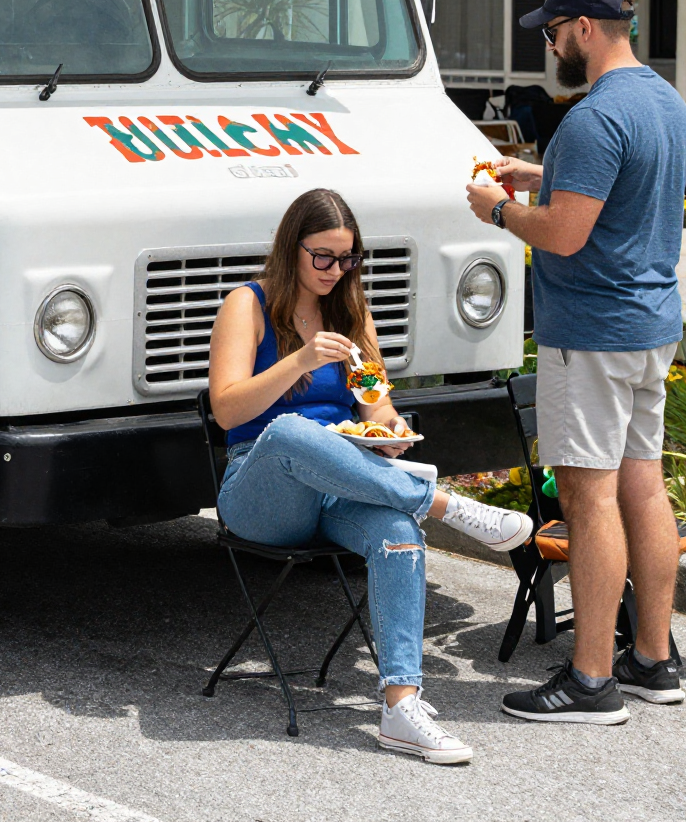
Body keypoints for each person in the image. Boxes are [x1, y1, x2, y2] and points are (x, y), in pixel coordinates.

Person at [208, 188, 534, 764]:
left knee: (396, 533)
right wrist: (301, 359)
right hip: (260, 488)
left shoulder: (351, 312)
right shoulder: (247, 304)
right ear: (292, 249)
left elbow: (375, 407)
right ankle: (444, 504)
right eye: (324, 257)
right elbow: (229, 412)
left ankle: (400, 706)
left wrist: (392, 430)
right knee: (287, 431)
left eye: (348, 258)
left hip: (340, 479)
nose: (337, 270)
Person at [468, 0, 686, 721]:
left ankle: (591, 678)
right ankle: (655, 661)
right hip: (650, 323)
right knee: (643, 488)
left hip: (590, 334)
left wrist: (500, 210)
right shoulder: (664, 101)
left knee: (590, 501)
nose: (549, 42)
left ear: (585, 30)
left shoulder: (593, 118)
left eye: (553, 30)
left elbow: (565, 232)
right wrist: (542, 172)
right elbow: (629, 186)